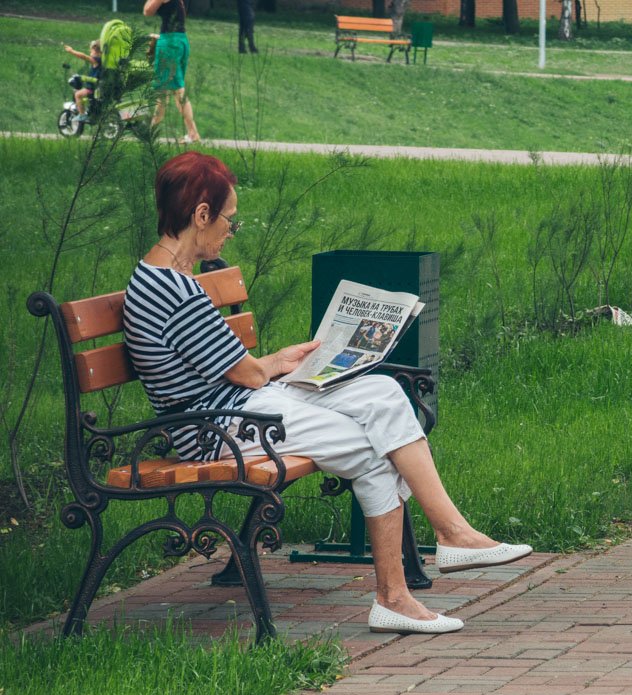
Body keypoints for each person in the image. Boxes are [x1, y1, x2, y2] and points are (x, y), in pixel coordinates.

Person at [123, 152, 533, 634]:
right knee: (372, 446)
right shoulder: (172, 292)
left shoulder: (170, 278)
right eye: (230, 221)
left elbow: (241, 371)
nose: (231, 231)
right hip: (219, 429)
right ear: (200, 215)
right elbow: (248, 376)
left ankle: (451, 533)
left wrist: (285, 362)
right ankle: (395, 595)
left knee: (380, 392)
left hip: (241, 406)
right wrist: (273, 367)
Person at [143, 0, 201, 144]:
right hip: (180, 41)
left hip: (170, 44)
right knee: (166, 91)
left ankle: (193, 134)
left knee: (175, 91)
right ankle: (152, 132)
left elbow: (147, 11)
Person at [63, 40, 102, 122]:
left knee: (77, 94)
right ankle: (86, 110)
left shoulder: (96, 60)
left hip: (92, 89)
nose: (90, 52)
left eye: (91, 50)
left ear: (95, 50)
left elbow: (84, 57)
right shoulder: (103, 61)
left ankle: (82, 115)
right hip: (97, 87)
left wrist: (71, 51)